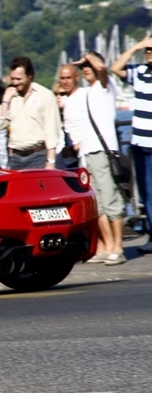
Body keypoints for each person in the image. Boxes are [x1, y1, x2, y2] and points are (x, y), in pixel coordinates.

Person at [71, 51, 126, 265]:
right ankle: (107, 246)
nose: (85, 68)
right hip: (88, 152)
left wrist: (86, 56)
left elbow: (103, 68)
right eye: (83, 66)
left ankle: (118, 247)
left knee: (111, 199)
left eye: (88, 65)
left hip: (103, 150)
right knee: (98, 204)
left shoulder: (106, 86)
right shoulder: (87, 92)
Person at [111, 35, 152, 254]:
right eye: (147, 49)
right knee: (146, 193)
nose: (148, 52)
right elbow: (115, 68)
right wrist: (136, 46)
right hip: (139, 142)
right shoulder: (140, 73)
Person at [0, 56, 61, 169]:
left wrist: (50, 161)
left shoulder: (45, 95)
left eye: (19, 79)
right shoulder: (10, 95)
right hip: (16, 158)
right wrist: (6, 99)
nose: (15, 82)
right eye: (12, 79)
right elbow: (0, 125)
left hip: (38, 156)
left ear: (30, 75)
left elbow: (51, 131)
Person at [56, 66, 81, 169]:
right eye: (62, 78)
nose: (65, 82)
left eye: (68, 78)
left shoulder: (84, 96)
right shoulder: (65, 100)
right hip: (70, 157)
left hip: (83, 152)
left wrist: (77, 146)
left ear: (77, 77)